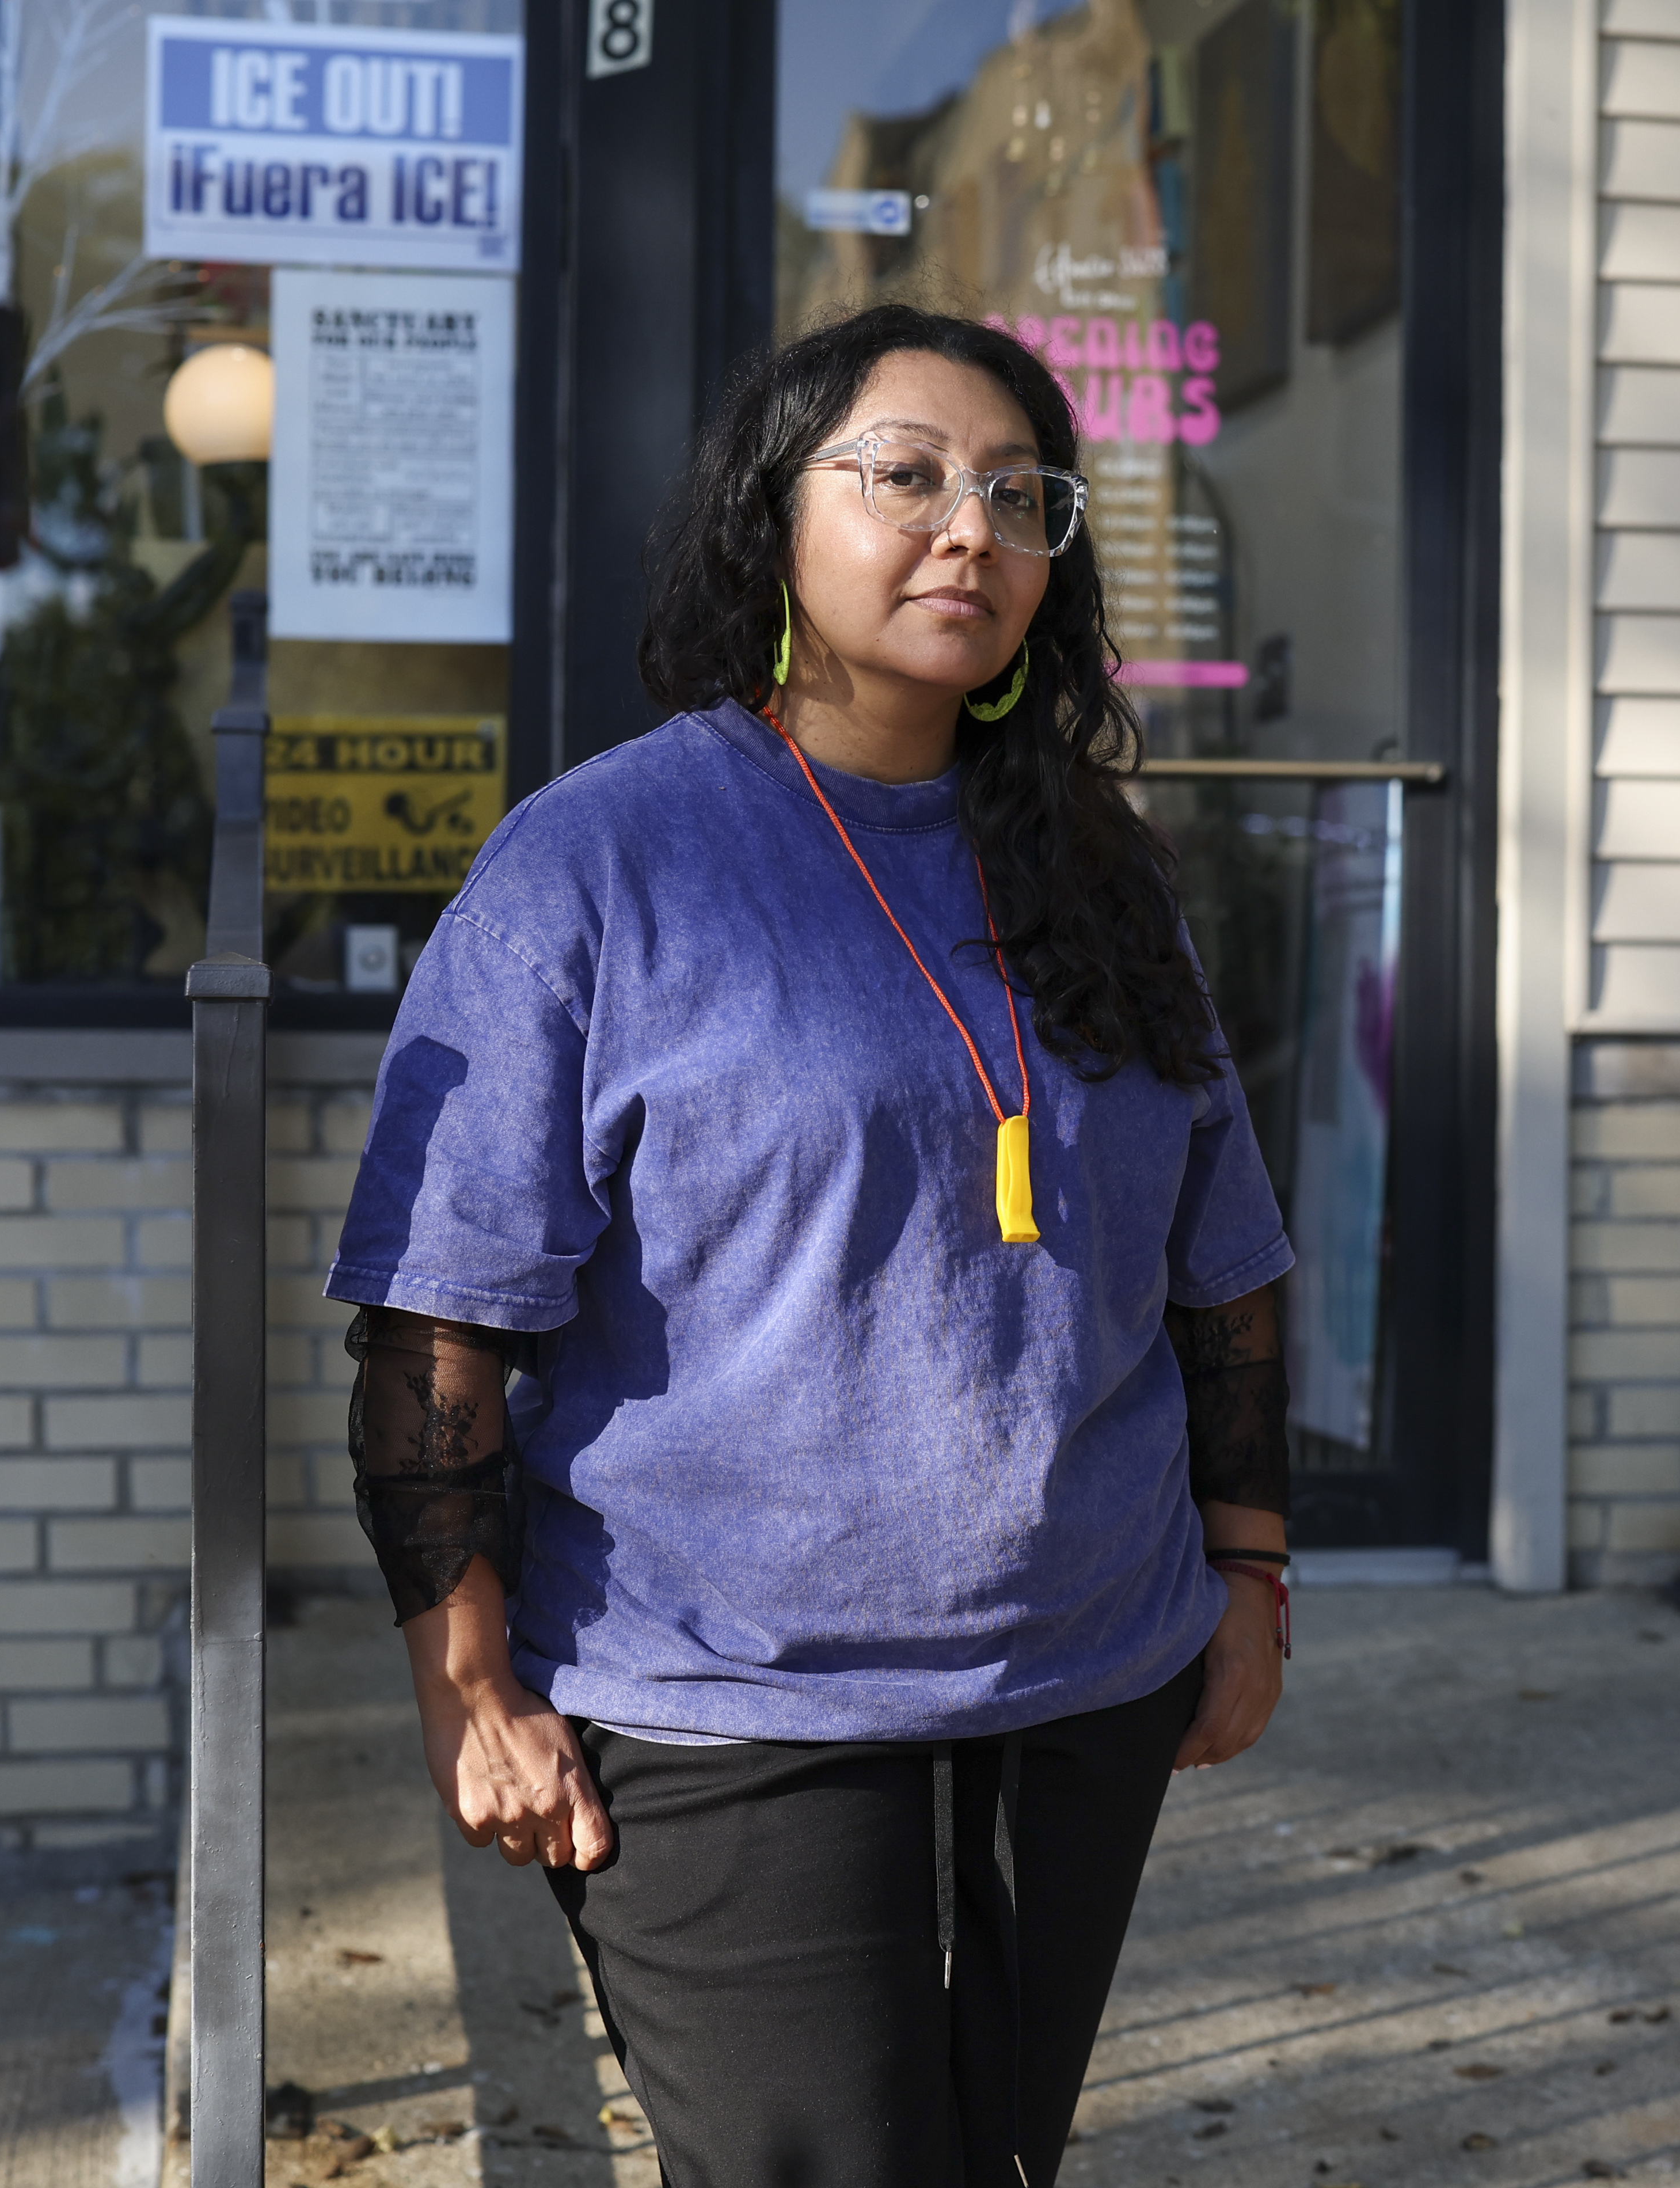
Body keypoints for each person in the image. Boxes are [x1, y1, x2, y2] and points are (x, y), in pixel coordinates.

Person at [322, 302, 1297, 2187]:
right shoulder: (599, 862)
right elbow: (441, 1319)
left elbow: (1220, 1257)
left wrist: (1247, 1573)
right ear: (773, 518)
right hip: (725, 1696)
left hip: (1084, 1676)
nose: (971, 531)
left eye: (1021, 496)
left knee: (996, 2164)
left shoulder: (1102, 866)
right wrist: (469, 1682)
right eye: (909, 475)